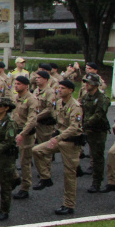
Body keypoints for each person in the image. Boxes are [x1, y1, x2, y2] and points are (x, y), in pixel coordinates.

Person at [31, 80, 84, 215]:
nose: (59, 90)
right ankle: (46, 178)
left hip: (71, 143)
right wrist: (56, 134)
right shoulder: (59, 103)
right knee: (37, 150)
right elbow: (58, 122)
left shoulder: (76, 106)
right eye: (59, 88)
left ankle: (69, 205)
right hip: (59, 139)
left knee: (69, 175)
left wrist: (57, 137)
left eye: (63, 88)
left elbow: (74, 127)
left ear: (71, 90)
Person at [80, 73, 110, 193]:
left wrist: (85, 124)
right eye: (85, 82)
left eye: (89, 82)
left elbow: (98, 115)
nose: (86, 84)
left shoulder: (103, 99)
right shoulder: (86, 97)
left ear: (96, 84)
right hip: (86, 128)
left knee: (97, 157)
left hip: (97, 130)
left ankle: (97, 182)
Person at [11, 76, 38, 199]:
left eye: (19, 84)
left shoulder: (31, 100)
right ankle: (15, 178)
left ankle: (25, 187)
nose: (16, 86)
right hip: (15, 132)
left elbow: (32, 120)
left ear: (26, 86)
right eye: (15, 83)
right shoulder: (16, 98)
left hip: (25, 134)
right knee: (8, 158)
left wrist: (22, 134)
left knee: (24, 162)